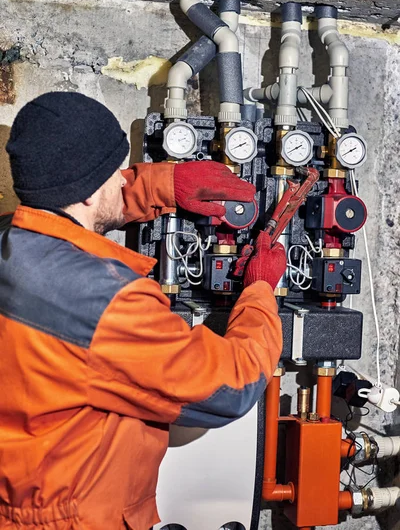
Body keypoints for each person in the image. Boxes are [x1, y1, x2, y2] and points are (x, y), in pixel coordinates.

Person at [0, 92, 286, 530]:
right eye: (117, 171)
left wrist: (163, 185)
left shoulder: (9, 242)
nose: (123, 178)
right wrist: (261, 290)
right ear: (89, 191)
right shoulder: (107, 303)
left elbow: (90, 201)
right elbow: (231, 387)